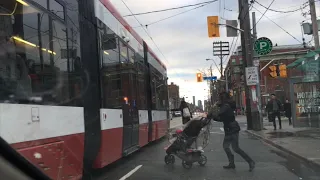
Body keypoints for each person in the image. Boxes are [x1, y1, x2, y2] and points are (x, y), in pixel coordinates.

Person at [207, 92, 255, 172]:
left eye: (220, 98)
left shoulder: (225, 106)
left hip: (233, 128)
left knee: (236, 148)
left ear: (223, 98)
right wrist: (213, 117)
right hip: (228, 129)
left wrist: (212, 114)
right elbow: (221, 118)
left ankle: (250, 161)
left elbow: (219, 114)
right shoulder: (224, 106)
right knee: (226, 147)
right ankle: (231, 163)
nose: (219, 100)